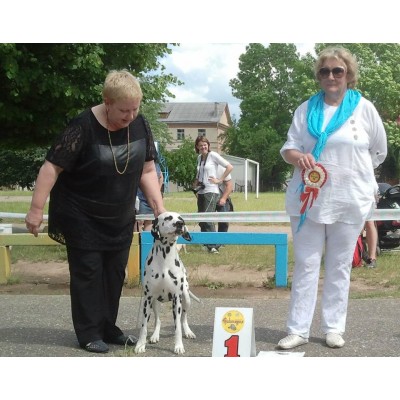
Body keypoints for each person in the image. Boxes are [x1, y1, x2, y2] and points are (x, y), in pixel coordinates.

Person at [24, 70, 165, 354]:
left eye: (135, 109)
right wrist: (35, 209)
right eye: (124, 110)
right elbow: (51, 166)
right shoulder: (82, 125)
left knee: (114, 273)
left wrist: (160, 210)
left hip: (119, 215)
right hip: (81, 213)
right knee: (88, 273)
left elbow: (148, 169)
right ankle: (88, 332)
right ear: (107, 101)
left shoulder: (140, 125)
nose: (130, 116)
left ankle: (107, 327)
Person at [278, 47, 387, 350]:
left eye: (337, 71)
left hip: (348, 200)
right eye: (325, 71)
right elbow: (288, 147)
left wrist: (354, 174)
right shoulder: (305, 109)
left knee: (340, 265)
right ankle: (298, 329)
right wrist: (299, 157)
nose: (331, 76)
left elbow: (379, 150)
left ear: (348, 74)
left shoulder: (364, 108)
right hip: (308, 199)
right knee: (306, 264)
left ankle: (333, 327)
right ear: (319, 76)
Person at [193, 135, 233, 253]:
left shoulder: (213, 155)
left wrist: (219, 180)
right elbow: (199, 175)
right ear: (197, 147)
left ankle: (213, 245)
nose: (203, 147)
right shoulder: (199, 158)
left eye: (205, 144)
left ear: (208, 145)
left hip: (211, 191)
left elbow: (229, 167)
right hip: (201, 191)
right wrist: (195, 186)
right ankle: (207, 242)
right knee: (202, 219)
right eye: (200, 145)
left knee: (208, 219)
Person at [137, 158, 164, 231]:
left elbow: (161, 176)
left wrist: (157, 189)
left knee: (149, 221)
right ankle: (139, 239)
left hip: (150, 199)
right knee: (139, 221)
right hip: (140, 198)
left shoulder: (156, 165)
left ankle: (146, 241)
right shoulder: (139, 165)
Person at [215, 164, 234, 233]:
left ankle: (221, 241)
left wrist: (223, 198)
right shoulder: (203, 166)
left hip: (222, 196)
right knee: (206, 221)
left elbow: (229, 185)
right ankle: (210, 242)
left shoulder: (222, 168)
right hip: (209, 196)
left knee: (224, 220)